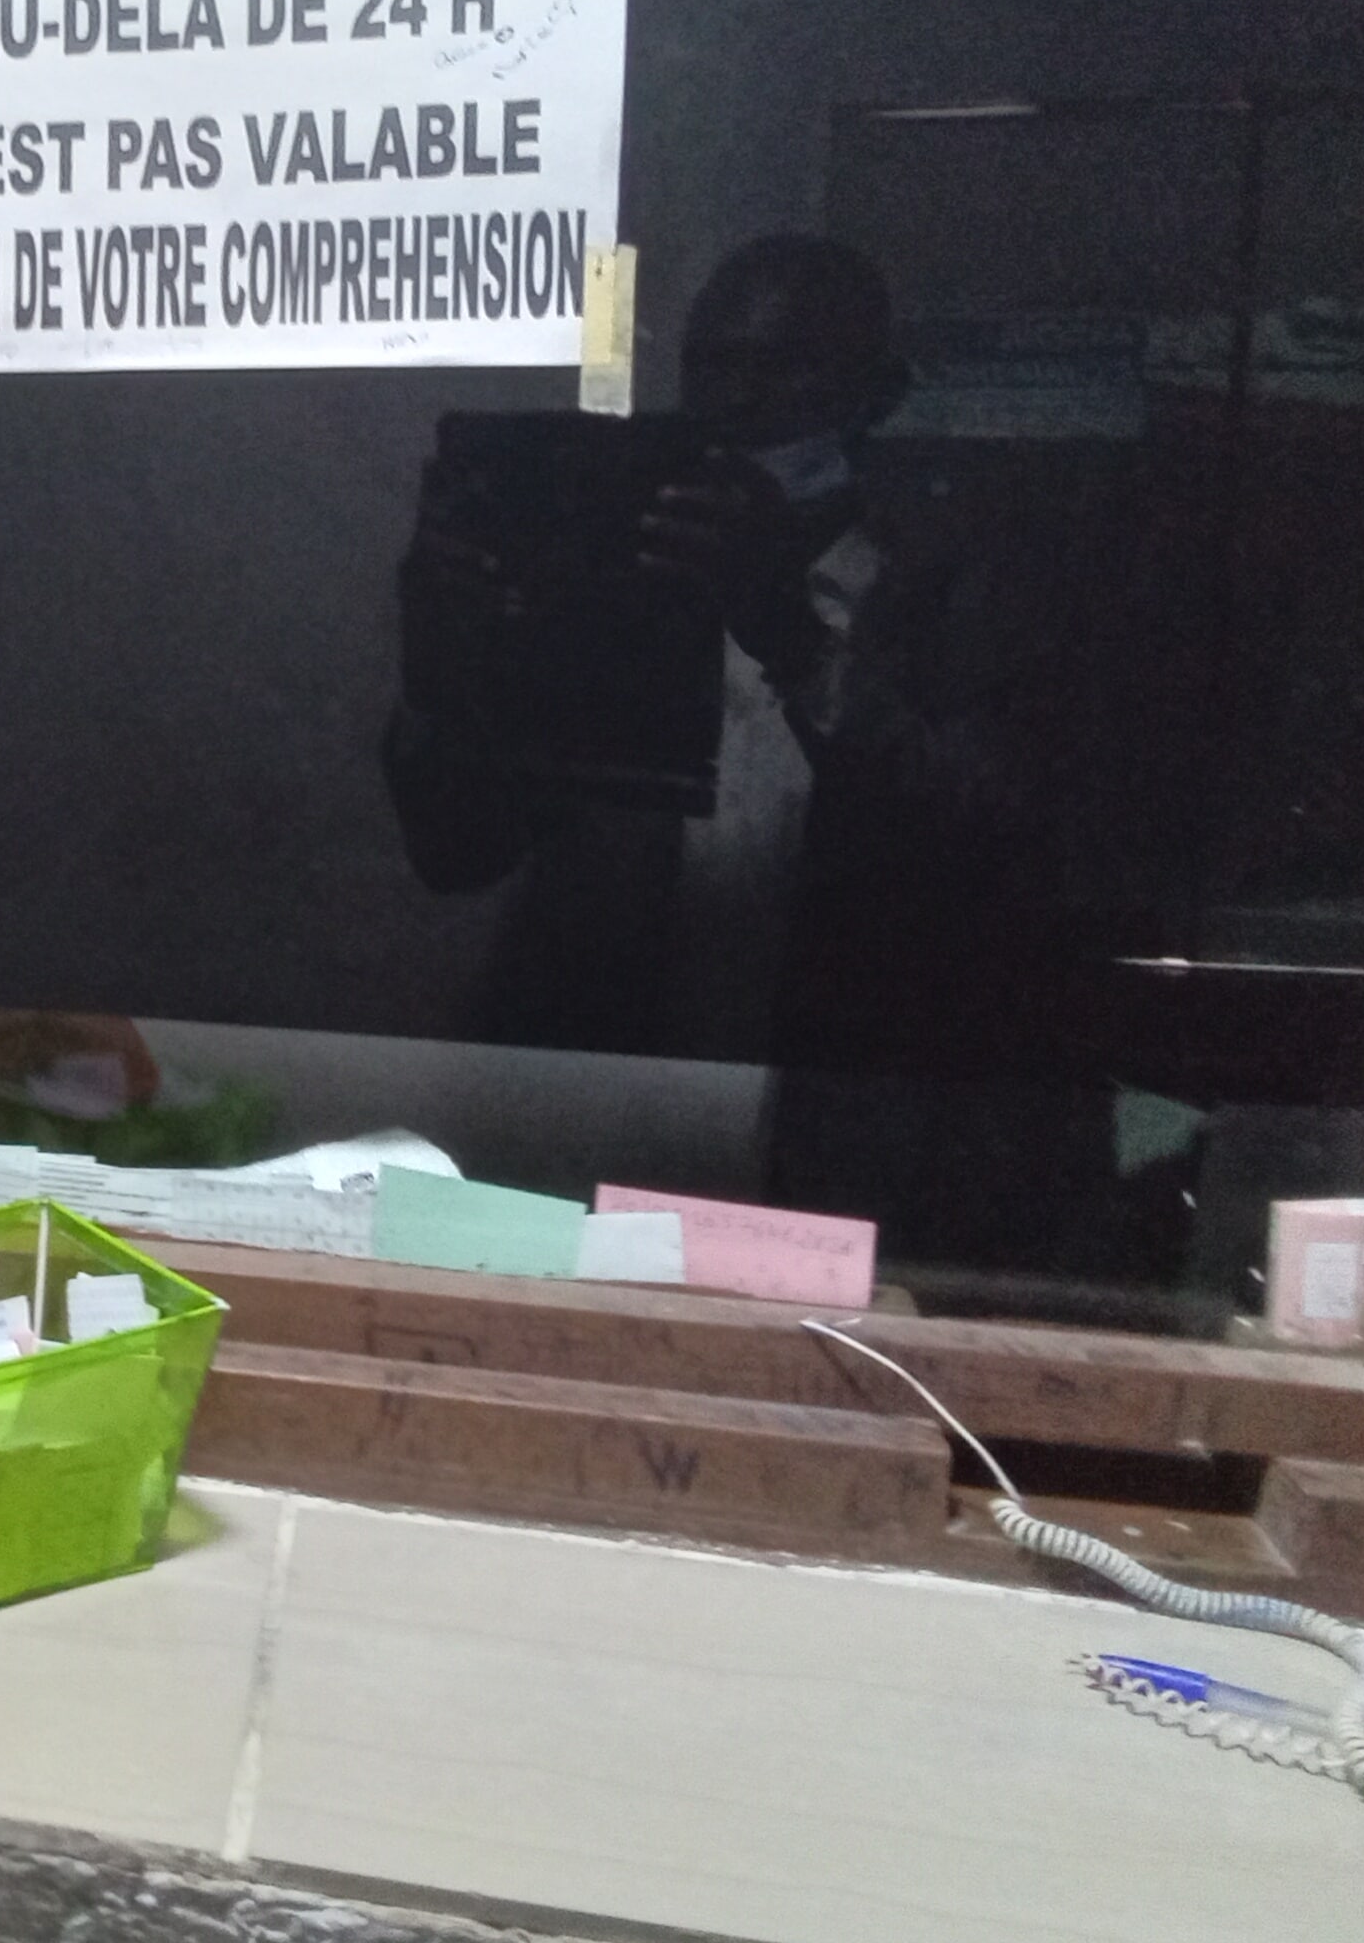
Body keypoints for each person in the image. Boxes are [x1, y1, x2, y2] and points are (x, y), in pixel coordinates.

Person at [384, 234, 1110, 1266]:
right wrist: (441, 656)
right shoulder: (613, 585)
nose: (740, 397)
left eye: (788, 364)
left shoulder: (951, 587)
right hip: (601, 1133)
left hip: (843, 1150)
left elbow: (999, 850)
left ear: (876, 392)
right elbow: (455, 849)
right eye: (714, 364)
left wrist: (793, 638)